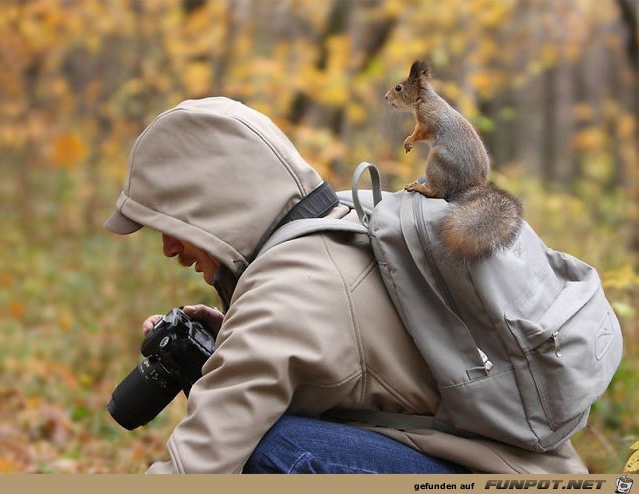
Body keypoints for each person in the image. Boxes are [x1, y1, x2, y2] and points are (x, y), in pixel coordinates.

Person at [103, 97, 588, 474]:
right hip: (523, 465)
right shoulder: (345, 216)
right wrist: (233, 334)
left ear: (209, 205)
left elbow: (198, 465)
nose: (169, 247)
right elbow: (347, 353)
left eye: (171, 224)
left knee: (270, 451)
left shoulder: (287, 292)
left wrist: (247, 338)